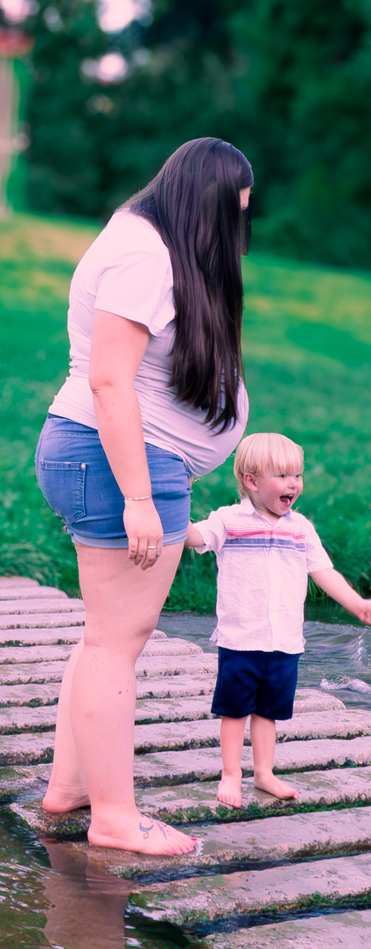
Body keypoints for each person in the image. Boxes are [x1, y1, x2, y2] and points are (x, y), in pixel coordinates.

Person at [35, 137, 253, 855]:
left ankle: (69, 791)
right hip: (118, 462)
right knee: (114, 647)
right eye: (234, 215)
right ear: (206, 205)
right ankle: (114, 817)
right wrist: (136, 497)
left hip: (115, 459)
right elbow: (109, 380)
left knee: (103, 639)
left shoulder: (141, 240)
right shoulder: (145, 256)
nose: (237, 235)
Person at [185, 432, 371, 808]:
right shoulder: (230, 520)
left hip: (285, 641)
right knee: (234, 710)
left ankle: (264, 773)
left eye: (298, 475)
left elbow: (323, 571)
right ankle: (231, 774)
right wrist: (171, 509)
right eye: (283, 475)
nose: (293, 484)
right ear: (251, 480)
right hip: (241, 638)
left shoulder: (300, 527)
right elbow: (194, 536)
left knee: (268, 712)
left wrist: (356, 604)